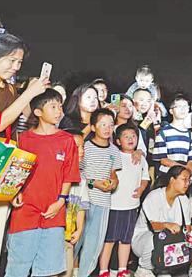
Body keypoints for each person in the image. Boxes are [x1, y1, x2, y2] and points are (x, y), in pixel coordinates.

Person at [0, 32, 48, 277]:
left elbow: (14, 132)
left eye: (19, 62)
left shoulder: (9, 89)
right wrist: (28, 94)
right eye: (11, 60)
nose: (16, 67)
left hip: (0, 175)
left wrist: (14, 183)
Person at [5, 89, 80, 277]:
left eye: (60, 106)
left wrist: (61, 201)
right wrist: (14, 193)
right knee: (17, 268)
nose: (59, 111)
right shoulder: (23, 139)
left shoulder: (67, 140)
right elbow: (16, 172)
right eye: (53, 106)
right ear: (38, 112)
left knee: (50, 269)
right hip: (24, 213)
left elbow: (69, 174)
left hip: (54, 213)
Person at [99, 124, 150, 277]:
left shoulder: (141, 158)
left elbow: (145, 178)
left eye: (133, 136)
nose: (130, 139)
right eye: (126, 136)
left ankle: (122, 269)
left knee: (126, 240)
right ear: (118, 141)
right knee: (109, 240)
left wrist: (141, 188)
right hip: (114, 205)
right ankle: (103, 270)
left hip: (131, 206)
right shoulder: (114, 156)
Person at [77, 108, 122, 277]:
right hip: (82, 201)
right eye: (103, 124)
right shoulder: (85, 148)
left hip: (103, 203)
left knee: (94, 245)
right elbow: (79, 176)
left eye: (110, 125)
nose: (107, 128)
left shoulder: (114, 150)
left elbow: (113, 173)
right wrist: (94, 183)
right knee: (75, 241)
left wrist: (114, 182)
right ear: (93, 127)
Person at [131, 165, 192, 277]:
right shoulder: (154, 196)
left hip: (168, 242)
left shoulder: (184, 200)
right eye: (184, 179)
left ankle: (163, 270)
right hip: (143, 241)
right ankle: (144, 269)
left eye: (189, 180)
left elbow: (187, 227)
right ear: (172, 180)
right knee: (158, 237)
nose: (187, 183)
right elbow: (155, 227)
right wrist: (167, 225)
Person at [62, 129, 89, 277]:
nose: (82, 151)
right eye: (77, 147)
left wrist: (79, 229)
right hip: (52, 232)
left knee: (68, 270)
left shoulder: (82, 178)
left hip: (69, 233)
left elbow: (81, 206)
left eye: (82, 147)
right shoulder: (56, 173)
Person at [153, 95, 192, 185]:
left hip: (183, 180)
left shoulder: (190, 134)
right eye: (179, 106)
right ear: (171, 111)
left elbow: (191, 159)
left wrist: (189, 167)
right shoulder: (163, 132)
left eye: (185, 106)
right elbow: (163, 160)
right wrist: (184, 168)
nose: (182, 109)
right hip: (166, 178)